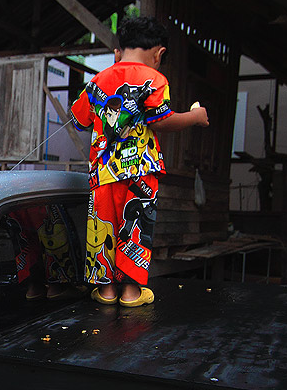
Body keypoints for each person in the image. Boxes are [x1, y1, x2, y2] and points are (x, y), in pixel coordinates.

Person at [71, 16, 210, 307]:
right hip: (141, 171)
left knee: (103, 227)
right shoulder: (155, 79)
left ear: (118, 51)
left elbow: (79, 118)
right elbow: (163, 120)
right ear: (159, 54)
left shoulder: (98, 80)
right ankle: (131, 292)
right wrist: (195, 117)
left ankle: (106, 291)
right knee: (136, 227)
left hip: (103, 174)